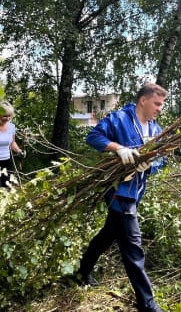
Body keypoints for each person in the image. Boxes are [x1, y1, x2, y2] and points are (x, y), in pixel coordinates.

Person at [73, 83, 167, 312]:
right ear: (143, 100)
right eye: (157, 103)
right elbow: (93, 137)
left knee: (109, 234)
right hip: (118, 191)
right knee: (133, 245)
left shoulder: (155, 129)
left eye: (162, 105)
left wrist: (151, 164)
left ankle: (82, 271)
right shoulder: (119, 119)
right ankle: (147, 303)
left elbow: (162, 158)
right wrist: (118, 148)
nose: (159, 109)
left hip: (136, 192)